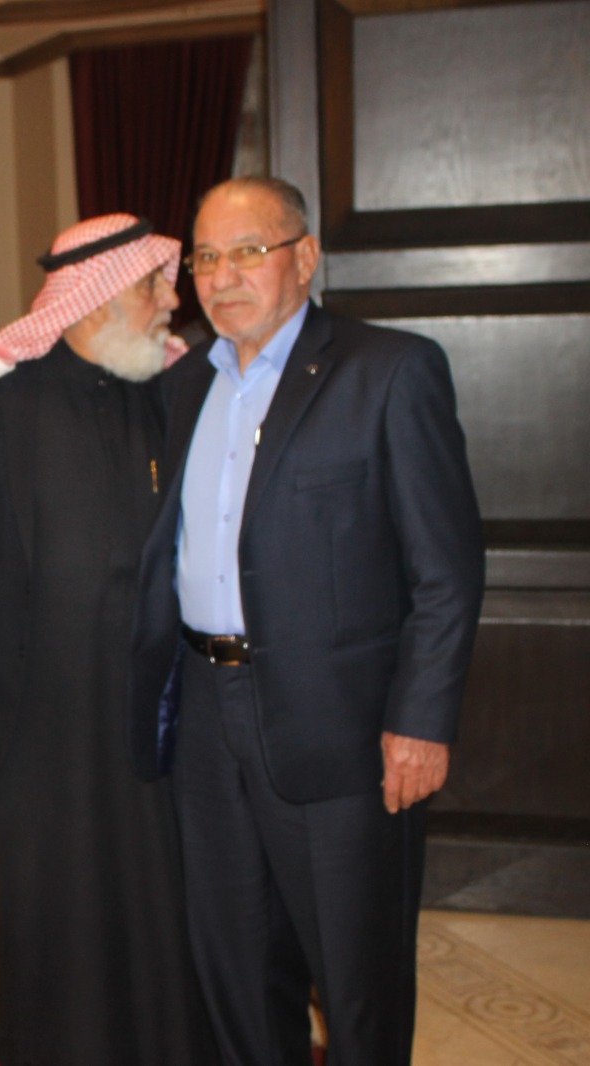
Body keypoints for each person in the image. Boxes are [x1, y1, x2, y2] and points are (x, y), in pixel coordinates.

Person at [129, 177, 484, 1065]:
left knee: (358, 982)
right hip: (206, 717)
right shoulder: (185, 386)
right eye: (205, 257)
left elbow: (446, 573)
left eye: (249, 251)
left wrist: (422, 721)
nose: (223, 276)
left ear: (307, 256)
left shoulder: (388, 371)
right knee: (237, 972)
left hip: (344, 732)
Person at [0, 213, 216, 1065]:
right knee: (55, 901)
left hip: (160, 707)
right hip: (40, 710)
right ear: (94, 300)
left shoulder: (175, 391)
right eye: (153, 285)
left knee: (165, 895)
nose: (172, 302)